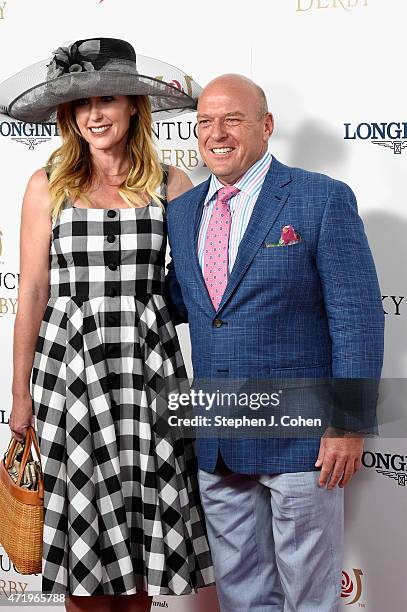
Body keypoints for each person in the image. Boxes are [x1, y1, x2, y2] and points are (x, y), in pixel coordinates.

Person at [7, 38, 214, 612]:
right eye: (81, 104)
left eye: (107, 99)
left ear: (132, 106)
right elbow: (33, 293)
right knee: (83, 542)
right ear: (68, 116)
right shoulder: (46, 186)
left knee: (144, 535)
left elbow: (199, 288)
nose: (94, 114)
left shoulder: (173, 186)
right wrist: (18, 393)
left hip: (149, 372)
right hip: (70, 374)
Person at [166, 74, 384, 611]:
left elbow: (357, 319)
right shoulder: (182, 211)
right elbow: (182, 303)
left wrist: (349, 424)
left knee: (310, 596)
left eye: (232, 119)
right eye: (204, 123)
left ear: (266, 126)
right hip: (219, 435)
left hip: (303, 439)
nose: (217, 133)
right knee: (241, 593)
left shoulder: (320, 199)